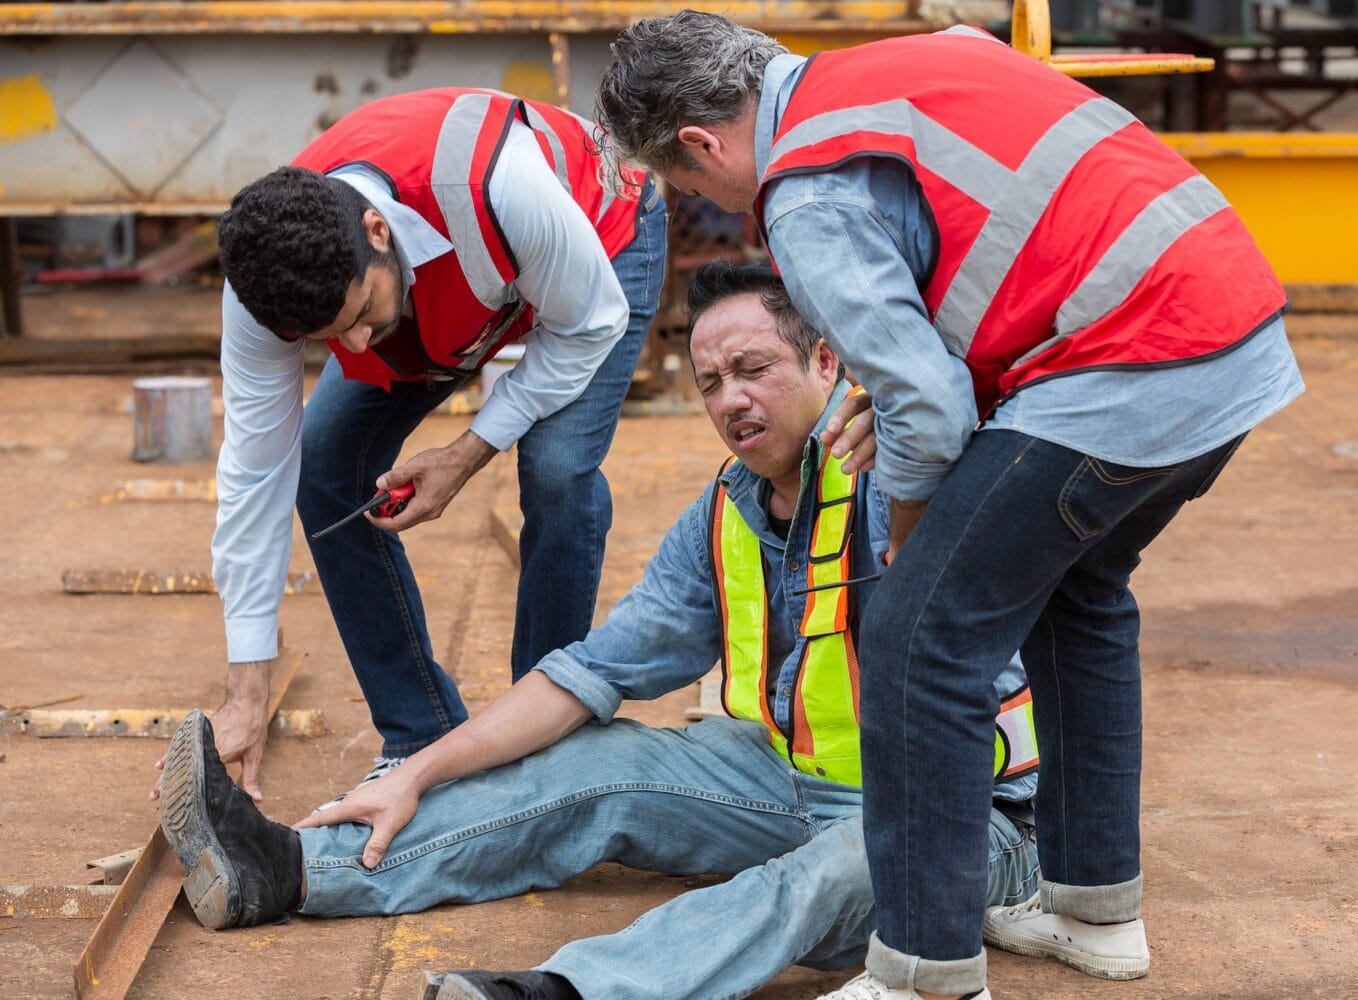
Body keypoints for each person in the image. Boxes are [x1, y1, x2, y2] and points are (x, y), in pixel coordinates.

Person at [594, 13, 1305, 1000]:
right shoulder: (927, 54)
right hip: (1232, 343)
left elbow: (924, 407)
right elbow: (974, 271)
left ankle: (924, 972)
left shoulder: (806, 195)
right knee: (1080, 594)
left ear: (703, 145)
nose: (717, 203)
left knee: (919, 643)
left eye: (693, 187)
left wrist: (916, 563)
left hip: (1123, 364)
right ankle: (1094, 911)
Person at [155, 260, 1042, 1000]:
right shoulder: (726, 511)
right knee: (599, 760)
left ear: (823, 360)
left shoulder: (903, 469)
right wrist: (414, 771)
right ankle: (290, 869)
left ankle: (574, 991)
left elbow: (986, 418)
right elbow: (590, 672)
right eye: (710, 382)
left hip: (967, 818)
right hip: (789, 779)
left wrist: (914, 427)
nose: (732, 399)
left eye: (754, 367)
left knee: (838, 869)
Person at [173, 88, 667, 803]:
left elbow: (589, 323)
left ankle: (544, 741)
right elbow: (255, 474)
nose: (357, 348)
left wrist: (466, 453)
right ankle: (420, 735)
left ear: (376, 229)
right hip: (460, 278)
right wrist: (246, 690)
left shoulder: (502, 190)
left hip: (596, 248)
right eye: (329, 339)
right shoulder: (266, 288)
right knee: (325, 468)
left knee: (557, 470)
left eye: (362, 316)